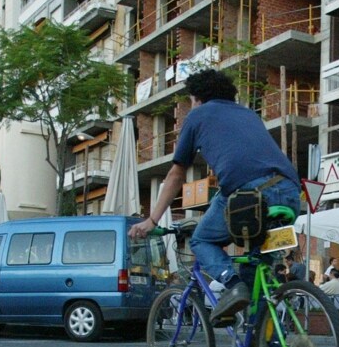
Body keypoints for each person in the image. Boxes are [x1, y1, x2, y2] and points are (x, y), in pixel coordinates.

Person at [128, 68, 301, 326]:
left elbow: (176, 174)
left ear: (197, 98)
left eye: (190, 101)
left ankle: (232, 286)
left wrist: (152, 220)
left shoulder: (198, 116)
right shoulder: (248, 114)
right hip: (290, 194)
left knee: (201, 240)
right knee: (257, 274)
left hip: (251, 194)